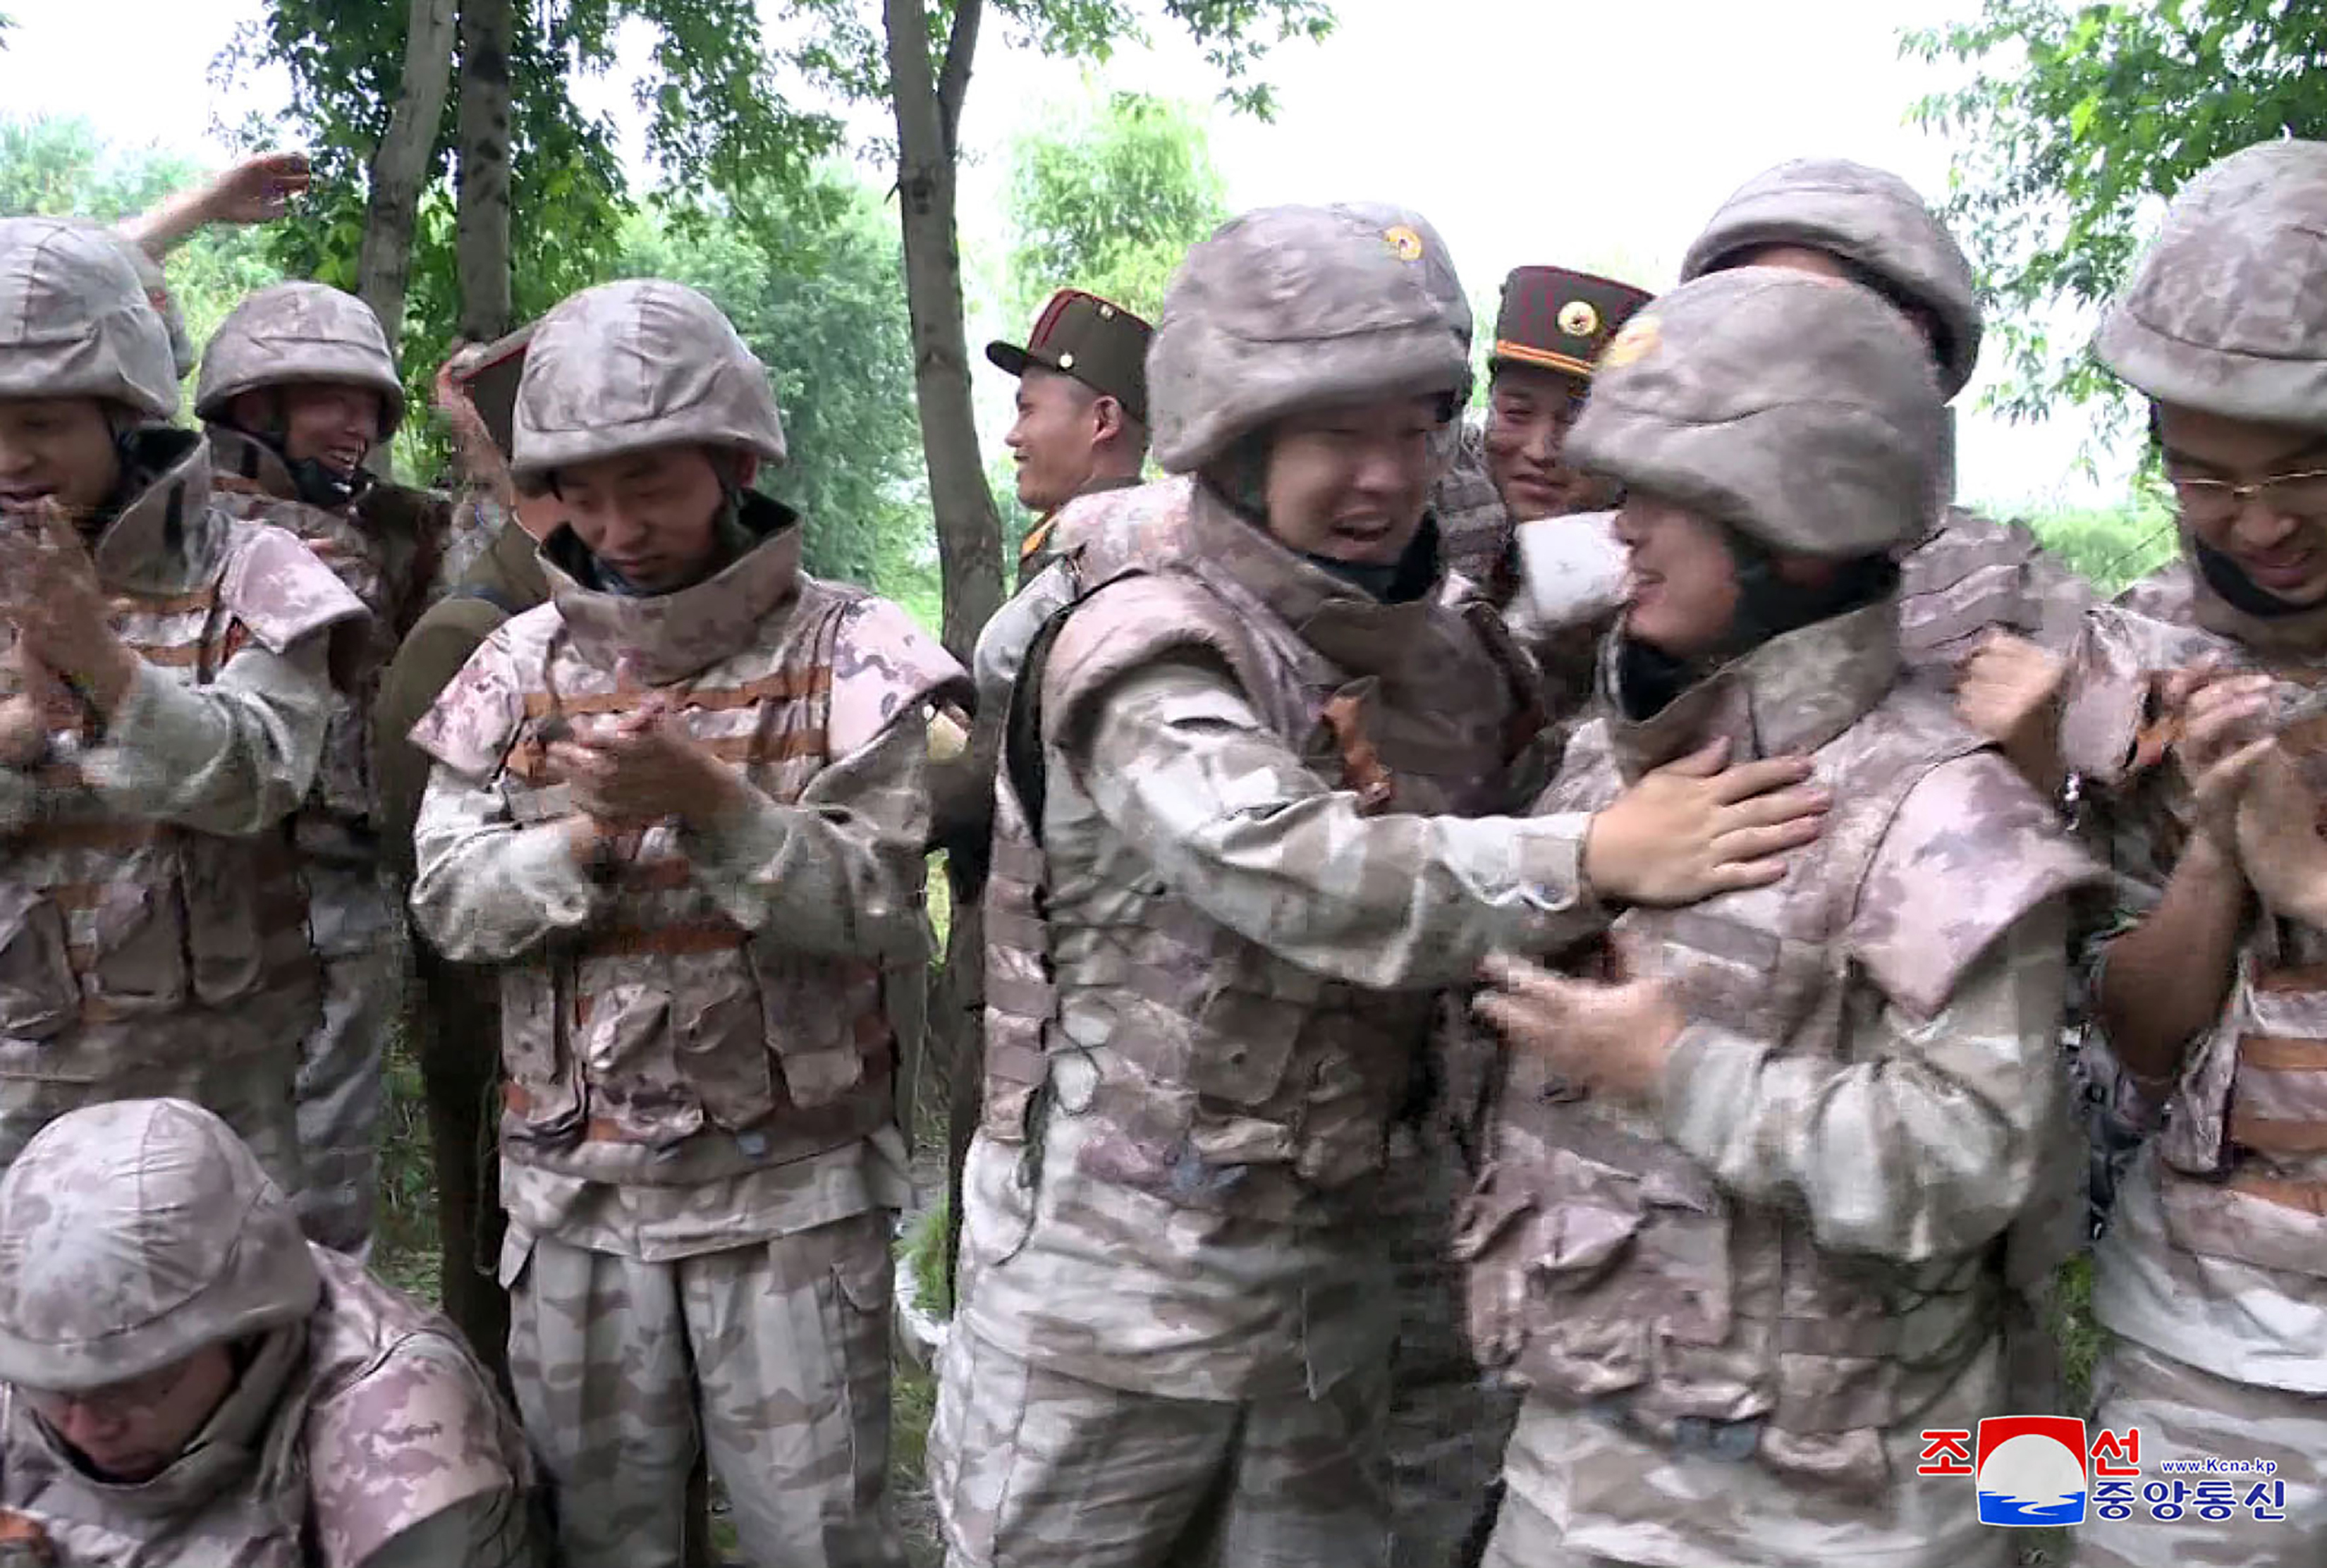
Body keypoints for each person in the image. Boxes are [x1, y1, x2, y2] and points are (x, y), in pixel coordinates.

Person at [929, 204, 1832, 1568]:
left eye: (1415, 430)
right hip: (1108, 1307)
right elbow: (1286, 865)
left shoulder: (1437, 636)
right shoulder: (1146, 633)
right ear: (1236, 433)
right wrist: (1593, 858)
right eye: (1340, 435)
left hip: (1326, 1291)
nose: (1388, 475)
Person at [1461, 265, 2100, 1568]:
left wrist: (1678, 1071)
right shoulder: (1609, 769)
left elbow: (1970, 1159)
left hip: (1832, 1515)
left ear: (1793, 519)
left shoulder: (1945, 817)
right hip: (1576, 1480)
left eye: (1661, 495)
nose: (1618, 527)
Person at [408, 277, 970, 1568]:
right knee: (605, 1542)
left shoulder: (856, 653)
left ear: (734, 460)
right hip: (577, 1209)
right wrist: (588, 839)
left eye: (650, 483)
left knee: (813, 1536)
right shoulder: (511, 668)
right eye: (584, 491)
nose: (617, 525)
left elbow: (882, 904)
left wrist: (717, 806)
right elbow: (447, 901)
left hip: (791, 1203)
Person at [2045, 137, 2327, 1567]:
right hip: (2206, 1370)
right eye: (2206, 476)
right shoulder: (2138, 660)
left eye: (2308, 469)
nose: (2262, 524)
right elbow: (2138, 1038)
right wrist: (2219, 851)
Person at [0, 216, 361, 1189]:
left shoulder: (260, 569)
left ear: (126, 418)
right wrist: (23, 736)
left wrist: (97, 664)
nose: (11, 457)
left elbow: (259, 774)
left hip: (216, 1095)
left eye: (41, 423)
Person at [1672, 157, 2098, 788]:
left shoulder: (2017, 595)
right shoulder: (1650, 565)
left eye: (1797, 313)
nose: (1755, 347)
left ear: (1913, 342)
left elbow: (2133, 866)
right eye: (1731, 314)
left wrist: (2046, 771)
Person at [0, 1097, 538, 1566]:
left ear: (243, 1331)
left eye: (130, 1385)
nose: (87, 1428)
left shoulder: (395, 1432)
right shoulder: (28, 1339)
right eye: (52, 1389)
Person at [194, 281, 436, 1258]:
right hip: (195, 885)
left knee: (325, 1185)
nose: (358, 426)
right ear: (255, 406)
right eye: (330, 399)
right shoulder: (173, 528)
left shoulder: (393, 531)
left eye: (370, 404)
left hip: (337, 886)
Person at [371, 336, 559, 1385]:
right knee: (498, 1317)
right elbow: (428, 875)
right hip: (497, 1046)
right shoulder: (465, 636)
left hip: (592, 1072)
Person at [987, 288, 1153, 583]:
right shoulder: (1120, 546)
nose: (1012, 436)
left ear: (1102, 421)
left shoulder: (1112, 561)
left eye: (1027, 410)